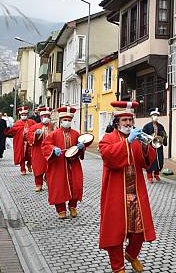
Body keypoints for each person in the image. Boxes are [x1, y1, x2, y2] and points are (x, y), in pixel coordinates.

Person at [98, 101, 157, 273]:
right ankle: (118, 267)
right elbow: (109, 157)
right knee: (114, 233)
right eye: (125, 121)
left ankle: (131, 255)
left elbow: (147, 163)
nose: (128, 124)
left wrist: (146, 147)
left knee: (140, 230)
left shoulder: (138, 138)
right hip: (116, 194)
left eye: (130, 121)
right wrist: (127, 143)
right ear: (117, 122)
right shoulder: (107, 139)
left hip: (136, 193)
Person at [42, 106, 85, 219]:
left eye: (69, 120)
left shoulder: (76, 133)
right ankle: (61, 209)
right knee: (58, 186)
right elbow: (46, 145)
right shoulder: (54, 134)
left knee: (76, 185)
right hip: (58, 164)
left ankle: (72, 206)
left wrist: (81, 147)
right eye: (65, 120)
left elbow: (80, 147)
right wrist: (53, 149)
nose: (67, 122)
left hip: (73, 164)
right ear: (61, 121)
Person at [26, 107, 54, 192]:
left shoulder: (53, 127)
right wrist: (35, 134)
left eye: (47, 116)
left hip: (49, 150)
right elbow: (29, 137)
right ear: (41, 117)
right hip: (38, 151)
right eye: (44, 116)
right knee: (38, 167)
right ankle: (38, 184)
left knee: (50, 168)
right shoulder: (35, 127)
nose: (46, 118)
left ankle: (49, 181)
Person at [4, 106, 37, 175]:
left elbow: (36, 128)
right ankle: (22, 169)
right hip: (21, 143)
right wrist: (7, 128)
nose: (24, 116)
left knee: (32, 155)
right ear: (20, 115)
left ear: (27, 115)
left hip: (30, 142)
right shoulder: (17, 123)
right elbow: (11, 131)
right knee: (22, 156)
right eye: (22, 115)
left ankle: (29, 164)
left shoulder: (32, 122)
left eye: (25, 115)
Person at [143, 108, 167, 183]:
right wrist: (150, 137)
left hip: (158, 146)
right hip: (150, 146)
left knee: (159, 160)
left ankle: (156, 174)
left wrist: (164, 139)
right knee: (150, 161)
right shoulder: (147, 126)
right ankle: (149, 176)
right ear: (151, 116)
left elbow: (164, 135)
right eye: (154, 115)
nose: (155, 116)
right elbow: (143, 136)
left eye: (156, 115)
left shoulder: (160, 126)